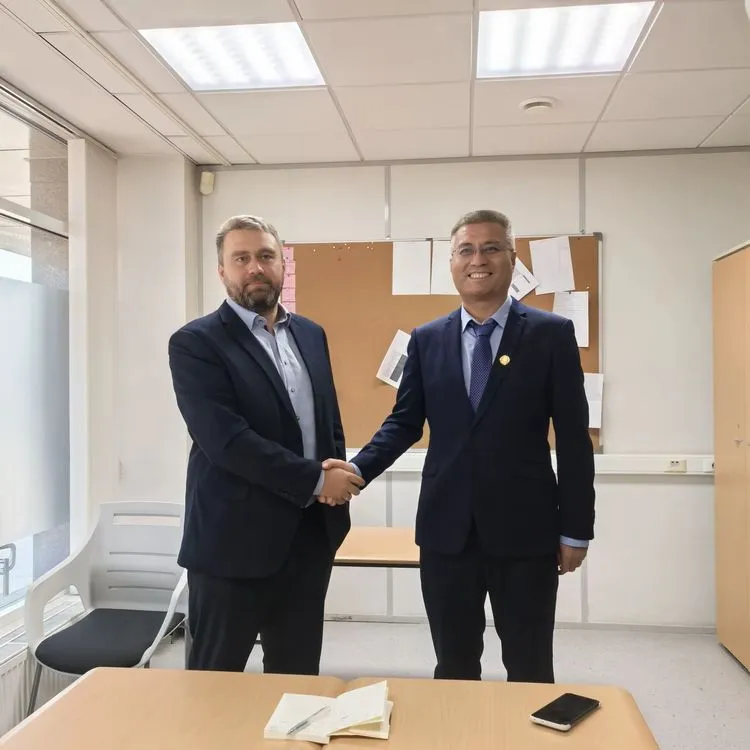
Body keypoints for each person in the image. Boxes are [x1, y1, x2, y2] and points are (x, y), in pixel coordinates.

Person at [323, 209, 595, 683]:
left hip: (526, 533)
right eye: (465, 250)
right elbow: (404, 423)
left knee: (530, 665)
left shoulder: (551, 334)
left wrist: (576, 529)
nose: (477, 260)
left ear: (512, 258)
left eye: (491, 248)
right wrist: (356, 469)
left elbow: (573, 439)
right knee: (453, 664)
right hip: (447, 533)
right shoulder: (427, 340)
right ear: (452, 263)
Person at [168, 214, 364, 674]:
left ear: (282, 265)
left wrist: (334, 482)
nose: (254, 267)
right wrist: (317, 480)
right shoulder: (196, 343)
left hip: (308, 540)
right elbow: (227, 442)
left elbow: (327, 422)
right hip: (231, 546)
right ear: (222, 270)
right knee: (215, 685)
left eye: (265, 256)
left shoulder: (311, 334)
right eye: (241, 258)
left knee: (297, 679)